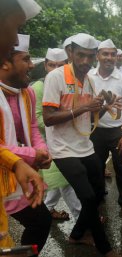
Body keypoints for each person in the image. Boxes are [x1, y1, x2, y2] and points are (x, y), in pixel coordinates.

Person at [42, 33, 122, 257]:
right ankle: (105, 247)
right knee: (87, 197)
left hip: (84, 145)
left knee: (98, 193)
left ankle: (76, 235)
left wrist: (106, 105)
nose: (86, 62)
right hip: (62, 148)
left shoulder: (89, 80)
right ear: (70, 53)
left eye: (89, 57)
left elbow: (92, 115)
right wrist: (82, 109)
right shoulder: (56, 77)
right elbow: (48, 118)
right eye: (81, 56)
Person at [0, 34, 52, 255]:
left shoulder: (27, 92)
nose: (32, 65)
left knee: (40, 221)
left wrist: (42, 150)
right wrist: (31, 154)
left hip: (17, 169)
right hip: (6, 172)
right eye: (26, 59)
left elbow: (31, 127)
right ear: (5, 62)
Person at [88, 39, 122, 217]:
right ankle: (98, 200)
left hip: (118, 130)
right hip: (95, 130)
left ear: (116, 57)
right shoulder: (89, 77)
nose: (109, 57)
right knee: (96, 168)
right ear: (98, 56)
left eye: (112, 54)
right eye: (105, 54)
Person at [33, 48, 81, 221]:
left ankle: (48, 209)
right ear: (45, 66)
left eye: (60, 65)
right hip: (47, 142)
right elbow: (38, 119)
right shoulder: (38, 87)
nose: (55, 69)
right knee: (66, 182)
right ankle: (82, 219)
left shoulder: (71, 84)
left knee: (58, 182)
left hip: (68, 141)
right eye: (52, 65)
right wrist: (64, 120)